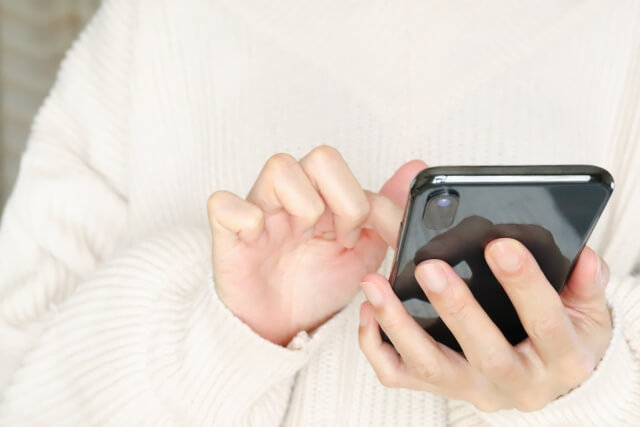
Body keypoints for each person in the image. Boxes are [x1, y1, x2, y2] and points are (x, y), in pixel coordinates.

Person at [0, 0, 639, 425]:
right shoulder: (154, 23)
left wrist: (580, 393)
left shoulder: (623, 34)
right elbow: (17, 396)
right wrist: (223, 337)